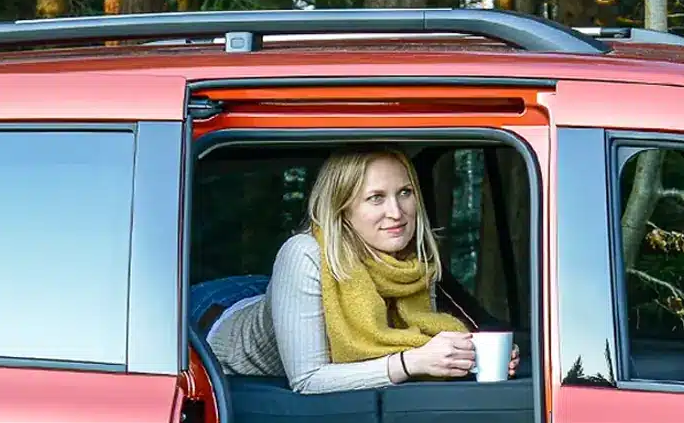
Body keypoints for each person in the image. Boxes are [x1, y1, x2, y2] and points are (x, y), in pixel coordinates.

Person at [207, 148, 514, 393]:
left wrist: (471, 357)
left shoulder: (412, 257)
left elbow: (419, 343)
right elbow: (307, 379)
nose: (396, 212)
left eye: (405, 192)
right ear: (343, 208)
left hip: (276, 294)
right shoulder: (304, 254)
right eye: (376, 198)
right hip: (217, 314)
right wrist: (410, 363)